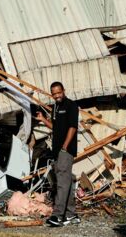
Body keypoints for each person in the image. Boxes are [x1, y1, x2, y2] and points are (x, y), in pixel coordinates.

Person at [35, 81, 81, 227]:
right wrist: (43, 119)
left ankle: (57, 216)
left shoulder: (71, 106)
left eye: (59, 92)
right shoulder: (55, 107)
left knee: (61, 182)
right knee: (65, 181)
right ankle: (71, 215)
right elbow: (55, 127)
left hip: (65, 151)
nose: (57, 96)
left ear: (63, 91)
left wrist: (65, 147)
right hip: (57, 151)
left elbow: (73, 127)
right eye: (54, 94)